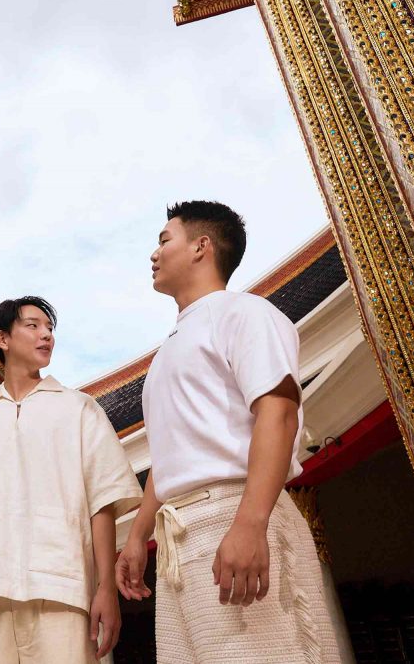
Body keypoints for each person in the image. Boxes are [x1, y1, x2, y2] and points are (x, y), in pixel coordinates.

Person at [115, 201, 340, 662]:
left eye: (164, 241)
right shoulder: (167, 353)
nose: (154, 254)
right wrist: (138, 534)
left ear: (201, 247)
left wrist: (250, 523)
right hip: (178, 537)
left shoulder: (244, 312)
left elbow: (278, 412)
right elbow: (171, 455)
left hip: (234, 511)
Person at [0, 296, 141, 663]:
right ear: (3, 339)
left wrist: (106, 588)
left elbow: (102, 503)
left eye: (49, 328)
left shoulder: (79, 409)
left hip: (64, 589)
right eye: (33, 326)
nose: (46, 335)